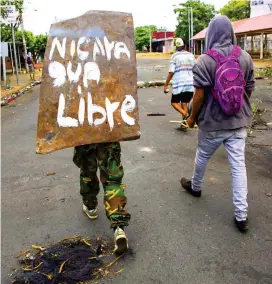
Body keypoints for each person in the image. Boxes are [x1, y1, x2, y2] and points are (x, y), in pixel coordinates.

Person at [181, 16, 255, 233]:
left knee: (202, 157)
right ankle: (241, 216)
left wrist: (192, 119)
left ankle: (195, 187)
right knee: (238, 167)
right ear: (231, 32)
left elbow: (199, 97)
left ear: (211, 33)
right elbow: (248, 88)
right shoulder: (245, 57)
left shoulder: (204, 60)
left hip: (212, 123)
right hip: (238, 122)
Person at [73, 142, 131, 254]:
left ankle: (90, 207)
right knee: (112, 179)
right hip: (108, 133)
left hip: (85, 135)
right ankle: (119, 229)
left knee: (87, 174)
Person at [164, 38, 195, 127]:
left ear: (176, 47)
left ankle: (185, 114)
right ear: (185, 45)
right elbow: (195, 69)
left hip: (179, 84)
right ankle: (184, 123)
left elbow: (171, 72)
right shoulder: (191, 55)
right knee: (184, 101)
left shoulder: (174, 56)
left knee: (174, 102)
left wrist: (166, 85)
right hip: (190, 83)